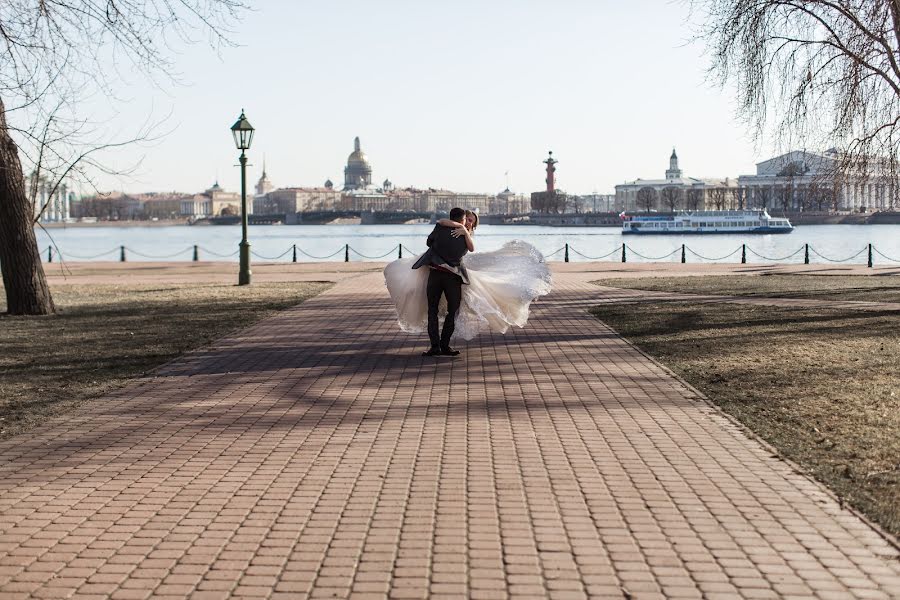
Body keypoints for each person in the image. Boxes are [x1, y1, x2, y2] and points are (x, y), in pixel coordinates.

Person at [383, 208, 552, 354]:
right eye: (468, 219)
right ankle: (438, 346)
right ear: (463, 218)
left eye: (472, 221)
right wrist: (459, 227)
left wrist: (463, 230)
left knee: (451, 308)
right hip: (445, 271)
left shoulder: (464, 233)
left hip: (456, 271)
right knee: (437, 308)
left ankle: (442, 345)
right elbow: (442, 225)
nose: (470, 222)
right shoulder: (450, 226)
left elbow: (468, 247)